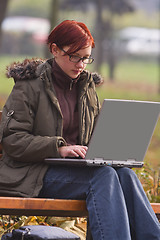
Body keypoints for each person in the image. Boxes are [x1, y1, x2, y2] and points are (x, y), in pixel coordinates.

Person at [0, 20, 159, 240]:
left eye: (86, 58)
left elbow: (93, 136)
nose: (81, 64)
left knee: (124, 174)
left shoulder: (87, 88)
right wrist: (59, 148)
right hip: (33, 173)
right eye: (74, 56)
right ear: (54, 49)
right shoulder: (29, 85)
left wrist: (110, 149)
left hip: (75, 170)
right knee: (103, 177)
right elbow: (12, 140)